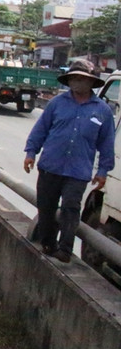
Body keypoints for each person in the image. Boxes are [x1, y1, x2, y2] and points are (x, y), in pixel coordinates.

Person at [23, 59, 115, 263]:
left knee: (71, 208)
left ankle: (65, 249)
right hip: (50, 166)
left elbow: (106, 144)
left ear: (90, 82)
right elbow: (41, 130)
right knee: (46, 206)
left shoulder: (102, 111)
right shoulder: (57, 103)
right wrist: (31, 152)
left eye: (81, 79)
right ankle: (48, 243)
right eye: (73, 79)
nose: (77, 82)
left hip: (78, 171)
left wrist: (102, 171)